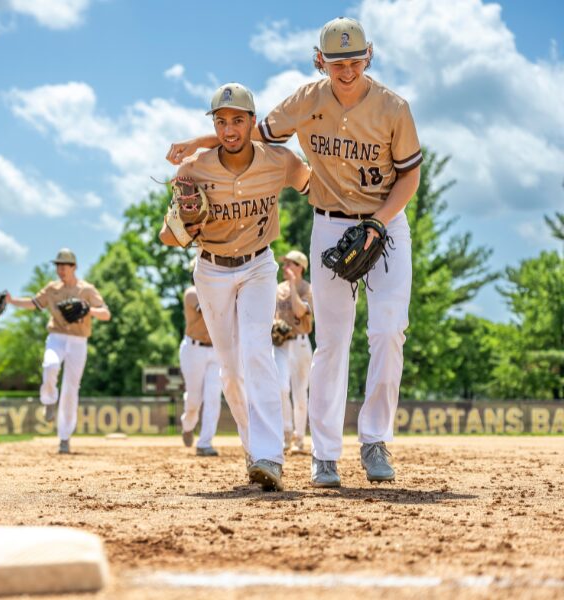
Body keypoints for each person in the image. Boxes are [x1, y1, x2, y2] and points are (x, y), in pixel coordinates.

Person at [166, 17, 422, 487]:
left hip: (385, 226)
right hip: (328, 226)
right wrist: (197, 143)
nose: (346, 69)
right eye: (336, 60)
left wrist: (378, 223)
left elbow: (410, 176)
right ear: (319, 59)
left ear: (369, 56)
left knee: (388, 331)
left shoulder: (393, 108)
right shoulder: (307, 100)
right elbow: (249, 134)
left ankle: (374, 438)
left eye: (354, 59)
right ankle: (325, 455)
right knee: (332, 342)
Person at [160, 82, 311, 491]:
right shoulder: (193, 169)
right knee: (230, 371)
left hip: (259, 265)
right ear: (215, 124)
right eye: (221, 121)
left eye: (237, 120)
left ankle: (269, 456)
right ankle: (253, 448)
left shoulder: (278, 160)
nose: (229, 129)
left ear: (251, 122)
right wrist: (186, 226)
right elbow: (167, 237)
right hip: (211, 270)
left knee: (257, 351)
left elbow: (315, 186)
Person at [6, 248, 111, 454]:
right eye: (58, 266)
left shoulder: (86, 290)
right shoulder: (52, 289)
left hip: (79, 340)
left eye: (64, 266)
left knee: (71, 389)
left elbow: (106, 314)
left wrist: (90, 309)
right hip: (56, 337)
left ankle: (64, 437)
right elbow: (34, 303)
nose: (60, 270)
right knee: (50, 365)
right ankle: (48, 400)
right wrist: (11, 301)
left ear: (74, 267)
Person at [272, 250, 313, 455]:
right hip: (281, 345)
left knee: (299, 394)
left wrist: (293, 286)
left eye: (289, 263)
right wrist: (273, 323)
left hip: (301, 344)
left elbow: (299, 311)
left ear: (300, 267)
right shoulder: (278, 289)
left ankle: (299, 439)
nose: (285, 266)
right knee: (280, 387)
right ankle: (286, 433)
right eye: (285, 263)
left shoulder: (307, 289)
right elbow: (271, 314)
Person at [179, 260, 222, 457]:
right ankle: (188, 424)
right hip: (193, 349)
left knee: (213, 397)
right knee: (194, 399)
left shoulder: (219, 293)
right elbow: (208, 312)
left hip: (215, 351)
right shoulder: (191, 293)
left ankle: (205, 442)